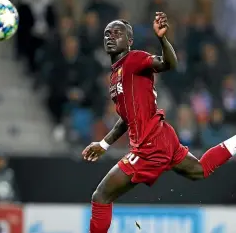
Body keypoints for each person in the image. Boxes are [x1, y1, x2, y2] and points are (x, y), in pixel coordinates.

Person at [82, 12, 236, 233]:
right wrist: (104, 144)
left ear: (129, 41)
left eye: (117, 33)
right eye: (107, 33)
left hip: (150, 144)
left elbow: (168, 64)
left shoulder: (134, 59)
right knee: (199, 170)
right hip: (162, 135)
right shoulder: (115, 76)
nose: (110, 37)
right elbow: (126, 119)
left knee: (101, 195)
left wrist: (163, 39)